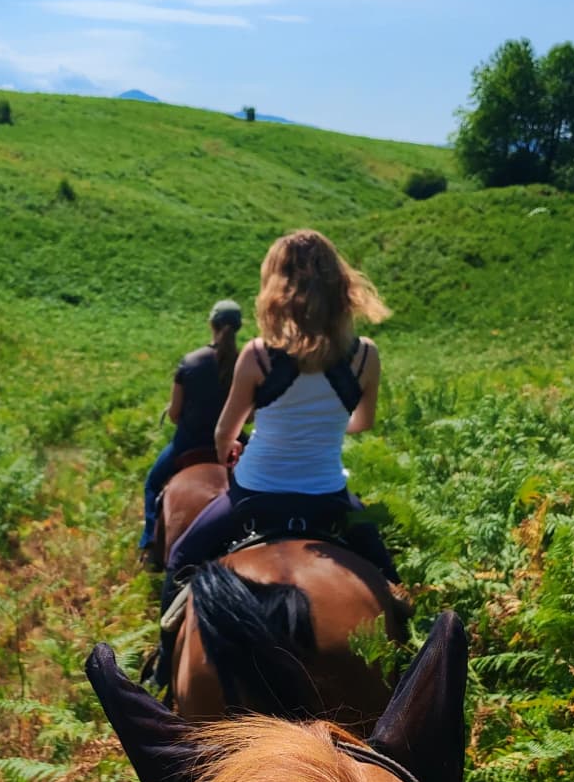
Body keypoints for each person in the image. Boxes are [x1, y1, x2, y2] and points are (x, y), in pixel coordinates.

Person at [162, 229, 398, 603]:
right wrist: (330, 426)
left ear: (277, 288)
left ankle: (162, 662)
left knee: (180, 560)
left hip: (256, 493)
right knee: (390, 583)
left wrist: (231, 450)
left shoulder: (258, 354)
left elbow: (226, 432)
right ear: (340, 286)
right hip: (328, 496)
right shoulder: (366, 355)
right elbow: (363, 422)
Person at [139, 299, 243, 557]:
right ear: (238, 327)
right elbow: (248, 416)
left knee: (152, 484)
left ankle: (149, 544)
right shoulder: (245, 363)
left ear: (212, 324)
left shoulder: (190, 362)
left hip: (189, 444)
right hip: (234, 445)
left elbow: (174, 415)